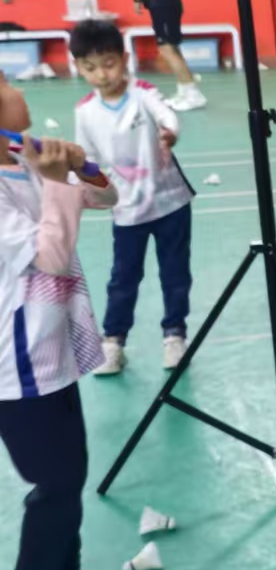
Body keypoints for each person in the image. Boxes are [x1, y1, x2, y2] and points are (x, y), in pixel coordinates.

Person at [0, 77, 140, 570]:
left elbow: (107, 201)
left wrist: (82, 170)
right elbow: (52, 255)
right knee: (54, 480)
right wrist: (57, 182)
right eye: (2, 82)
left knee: (71, 470)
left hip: (52, 352)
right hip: (16, 368)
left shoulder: (22, 158)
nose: (14, 86)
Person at [72, 20, 194, 374]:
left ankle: (174, 336)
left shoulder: (143, 93)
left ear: (124, 59)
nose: (101, 74)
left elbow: (167, 116)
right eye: (90, 67)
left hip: (170, 203)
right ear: (78, 67)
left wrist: (169, 133)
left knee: (175, 275)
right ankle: (113, 342)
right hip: (126, 210)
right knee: (123, 279)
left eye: (108, 64)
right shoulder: (85, 111)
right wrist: (81, 184)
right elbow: (85, 158)